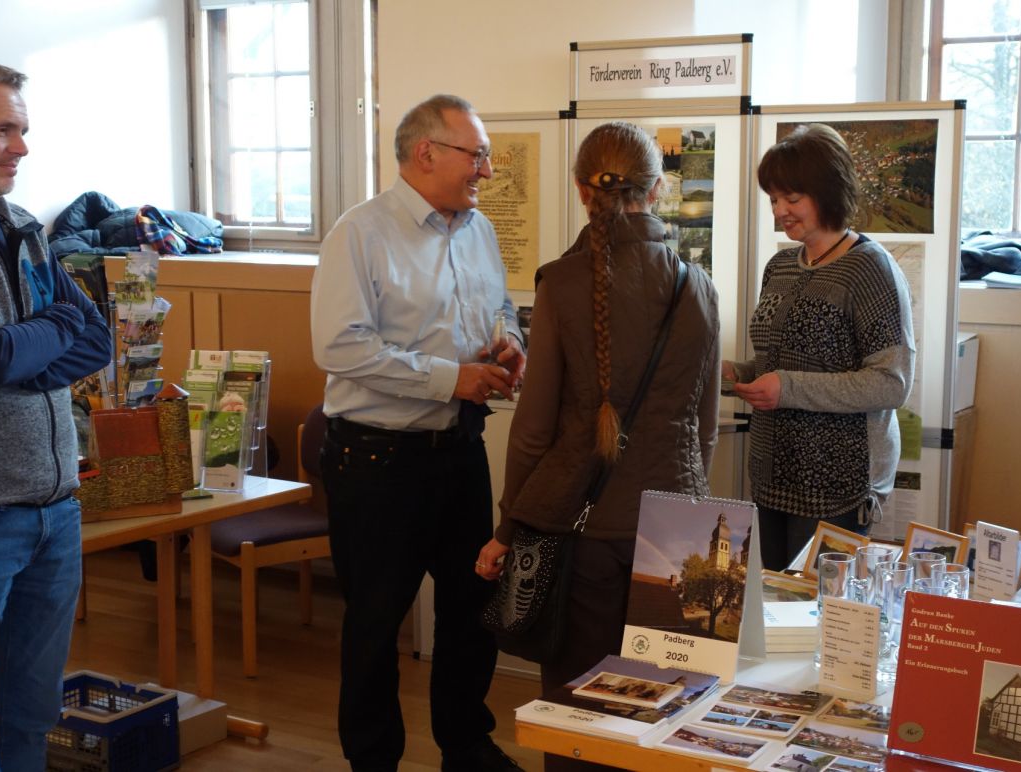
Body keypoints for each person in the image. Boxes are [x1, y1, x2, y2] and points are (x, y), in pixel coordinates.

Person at [476, 121, 720, 772]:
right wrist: (688, 508)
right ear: (658, 190)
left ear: (583, 189)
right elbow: (705, 426)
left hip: (582, 532)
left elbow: (533, 431)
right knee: (673, 718)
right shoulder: (699, 286)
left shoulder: (561, 282)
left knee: (581, 722)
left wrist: (507, 528)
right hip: (685, 535)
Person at [310, 94, 526, 772]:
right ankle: (374, 762)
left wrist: (509, 344)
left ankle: (465, 745)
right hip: (377, 462)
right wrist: (449, 378)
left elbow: (499, 308)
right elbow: (339, 347)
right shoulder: (360, 233)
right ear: (426, 152)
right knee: (376, 624)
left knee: (474, 606)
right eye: (477, 154)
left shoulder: (479, 231)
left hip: (459, 452)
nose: (487, 171)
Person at [0, 59, 112, 771]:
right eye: (3, 130)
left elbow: (94, 336)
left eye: (23, 129)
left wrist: (33, 343)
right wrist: (42, 336)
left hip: (54, 510)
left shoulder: (27, 228)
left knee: (31, 714)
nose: (22, 148)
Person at [724, 123, 915, 571]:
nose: (780, 212)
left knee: (819, 625)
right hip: (773, 477)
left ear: (828, 192)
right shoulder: (781, 267)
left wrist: (786, 388)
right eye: (773, 199)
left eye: (792, 199)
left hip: (838, 486)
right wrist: (740, 373)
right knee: (773, 616)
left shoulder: (870, 269)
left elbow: (890, 383)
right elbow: (780, 363)